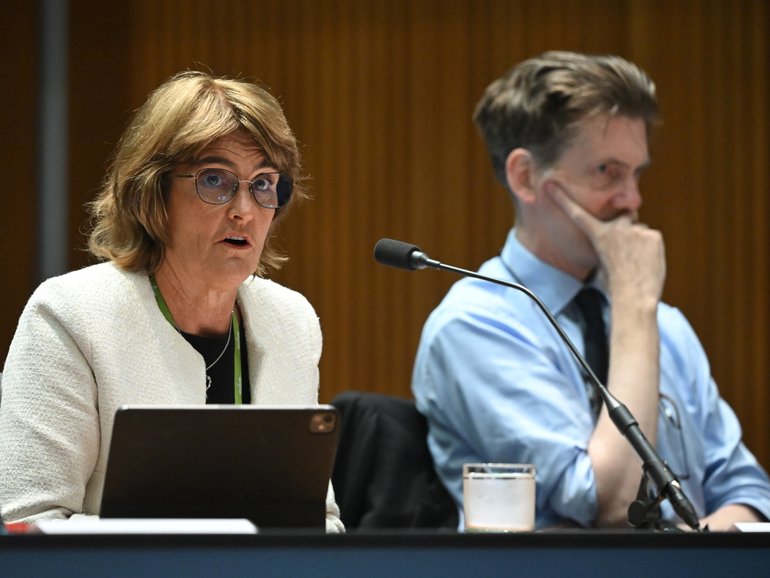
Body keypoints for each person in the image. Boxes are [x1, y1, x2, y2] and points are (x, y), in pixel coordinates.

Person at [412, 51, 770, 531]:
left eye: (637, 173)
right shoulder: (477, 325)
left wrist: (688, 550)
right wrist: (635, 309)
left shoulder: (666, 325)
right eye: (607, 172)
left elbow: (750, 493)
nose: (633, 201)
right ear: (526, 177)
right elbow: (611, 501)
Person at [0, 71, 344, 532]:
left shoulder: (290, 321)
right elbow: (26, 525)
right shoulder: (71, 315)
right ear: (153, 194)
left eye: (263, 183)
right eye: (216, 180)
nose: (244, 208)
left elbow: (316, 520)